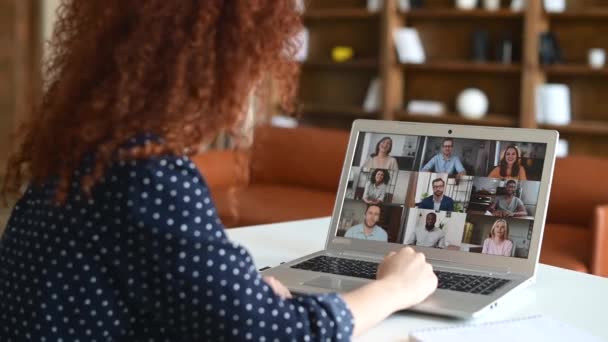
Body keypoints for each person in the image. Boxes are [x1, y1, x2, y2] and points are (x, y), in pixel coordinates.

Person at [0, 1, 438, 340]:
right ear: (217, 64)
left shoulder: (86, 150)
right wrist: (396, 289)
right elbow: (286, 335)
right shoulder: (147, 175)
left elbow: (135, 284)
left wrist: (242, 296)